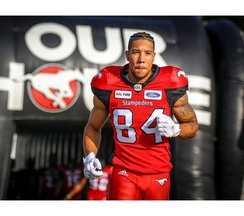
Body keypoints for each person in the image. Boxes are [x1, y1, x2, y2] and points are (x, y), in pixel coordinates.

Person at [82, 32, 199, 200]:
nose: (141, 59)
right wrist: (89, 156)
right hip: (124, 172)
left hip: (159, 173)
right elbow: (93, 127)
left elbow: (193, 125)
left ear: (154, 56)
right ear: (127, 55)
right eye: (136, 52)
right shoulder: (109, 82)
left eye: (147, 53)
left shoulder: (170, 83)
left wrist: (176, 129)